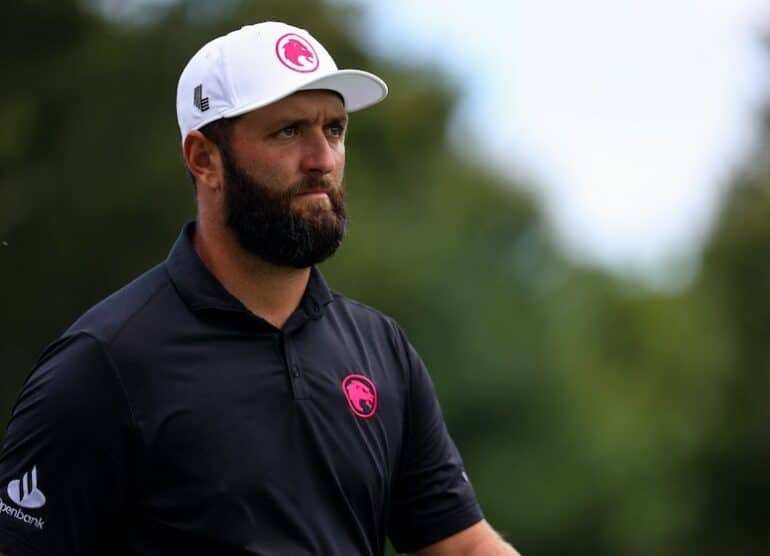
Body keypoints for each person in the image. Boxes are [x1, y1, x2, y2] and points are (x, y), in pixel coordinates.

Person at [0, 21, 520, 556]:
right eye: (288, 131)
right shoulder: (102, 364)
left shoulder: (381, 350)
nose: (322, 159)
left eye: (335, 129)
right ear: (204, 159)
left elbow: (461, 546)